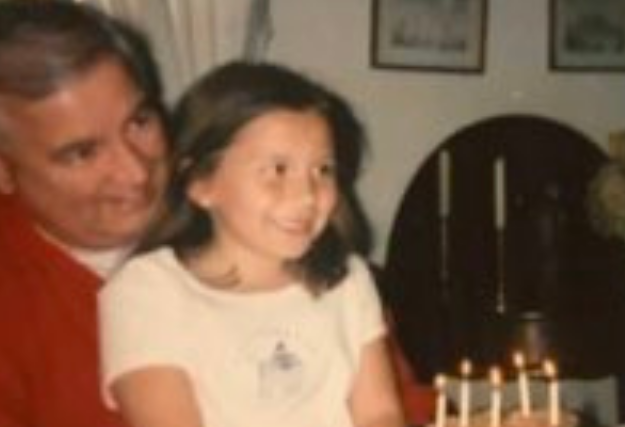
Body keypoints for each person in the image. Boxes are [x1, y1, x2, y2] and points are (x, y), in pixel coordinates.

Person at [0, 2, 168, 426]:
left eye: (140, 121)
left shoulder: (238, 205)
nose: (135, 171)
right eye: (83, 152)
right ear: (0, 169)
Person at [98, 62, 404, 427]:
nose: (307, 195)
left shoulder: (348, 279)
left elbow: (380, 414)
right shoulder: (146, 292)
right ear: (201, 183)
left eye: (322, 170)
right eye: (277, 170)